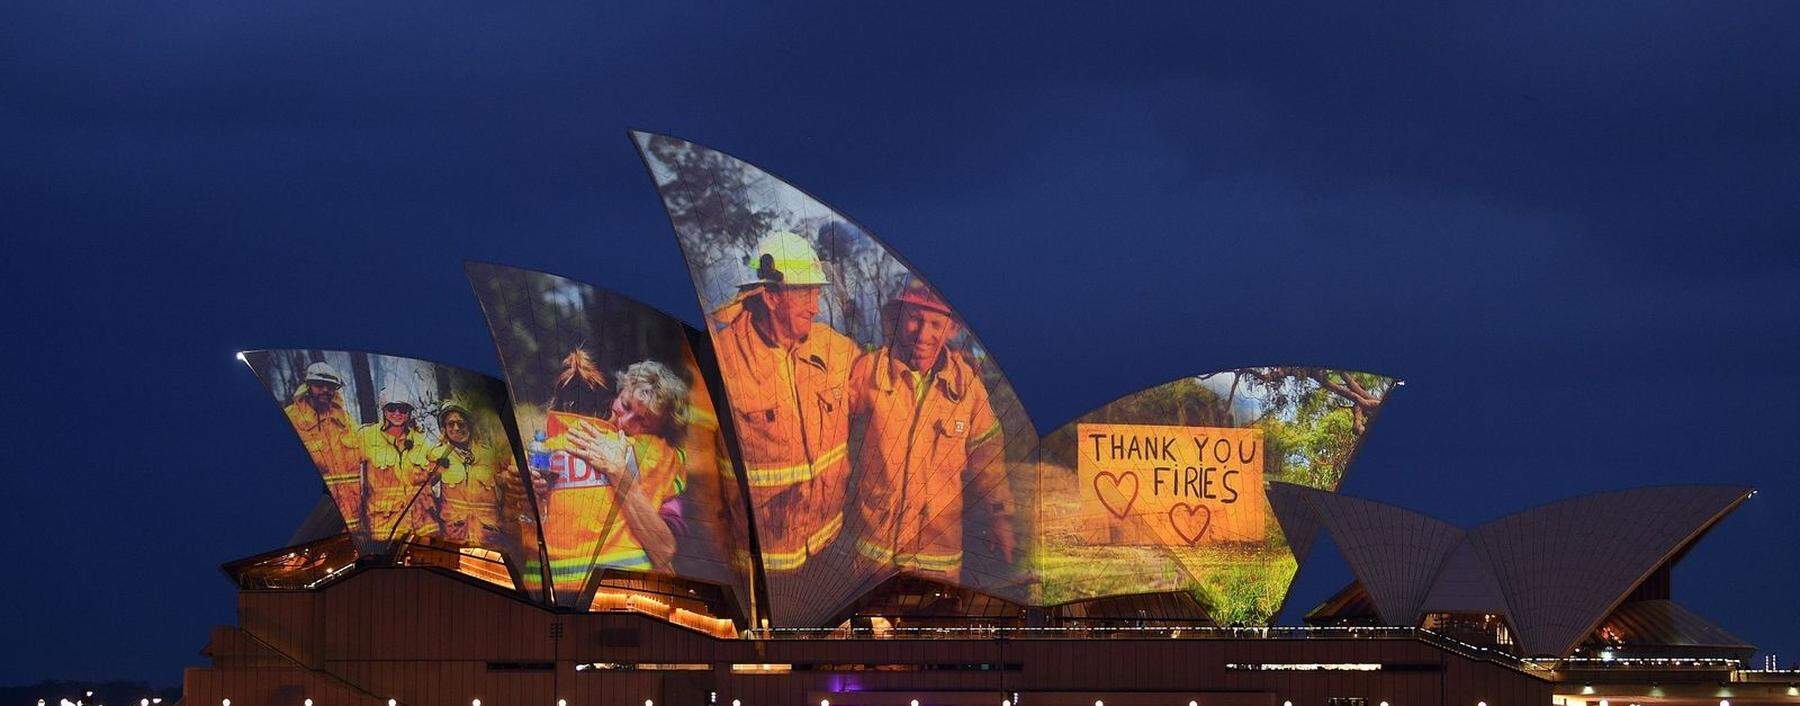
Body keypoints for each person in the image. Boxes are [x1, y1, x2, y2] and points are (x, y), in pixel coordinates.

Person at [707, 230, 855, 573]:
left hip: (827, 545)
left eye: (818, 293)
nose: (816, 308)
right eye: (805, 294)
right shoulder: (721, 359)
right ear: (771, 296)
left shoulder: (835, 349)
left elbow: (882, 383)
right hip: (762, 565)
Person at [848, 277, 1012, 583]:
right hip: (873, 558)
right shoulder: (868, 371)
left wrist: (999, 517)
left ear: (951, 330)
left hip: (938, 559)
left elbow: (989, 463)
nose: (923, 335)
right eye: (915, 319)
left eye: (936, 324)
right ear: (899, 319)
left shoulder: (969, 390)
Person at [537, 359, 690, 595]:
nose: (625, 422)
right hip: (554, 585)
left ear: (660, 432)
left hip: (625, 593)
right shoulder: (570, 428)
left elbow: (664, 549)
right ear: (618, 393)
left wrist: (618, 471)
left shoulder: (661, 460)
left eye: (643, 421)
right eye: (625, 405)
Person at [282, 362, 366, 535]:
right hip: (315, 515)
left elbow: (365, 455)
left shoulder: (346, 420)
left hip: (351, 519)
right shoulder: (291, 417)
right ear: (308, 386)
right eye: (319, 385)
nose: (325, 391)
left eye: (330, 387)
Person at [350, 387, 439, 543]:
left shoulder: (421, 440)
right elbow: (348, 473)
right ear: (384, 410)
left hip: (421, 525)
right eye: (392, 408)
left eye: (403, 409)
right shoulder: (366, 436)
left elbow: (438, 473)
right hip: (384, 524)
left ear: (409, 412)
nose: (397, 413)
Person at [428, 402, 520, 548]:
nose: (456, 428)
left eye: (461, 423)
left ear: (469, 426)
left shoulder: (489, 454)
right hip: (452, 538)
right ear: (444, 429)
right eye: (450, 424)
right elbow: (421, 490)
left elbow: (509, 487)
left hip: (488, 538)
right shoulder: (437, 454)